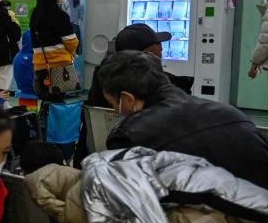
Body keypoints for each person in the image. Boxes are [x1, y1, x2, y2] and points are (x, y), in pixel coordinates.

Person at [100, 51, 268, 197]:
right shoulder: (233, 114)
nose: (116, 111)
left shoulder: (131, 135)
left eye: (114, 104)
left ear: (128, 99)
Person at [75, 24, 189, 165]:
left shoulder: (104, 77)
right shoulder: (152, 86)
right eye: (158, 51)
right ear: (145, 56)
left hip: (93, 158)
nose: (161, 51)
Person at [29, 0, 79, 101]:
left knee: (44, 102)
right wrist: (73, 51)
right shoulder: (60, 15)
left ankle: (43, 121)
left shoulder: (35, 14)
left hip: (40, 65)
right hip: (59, 66)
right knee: (57, 103)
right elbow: (71, 41)